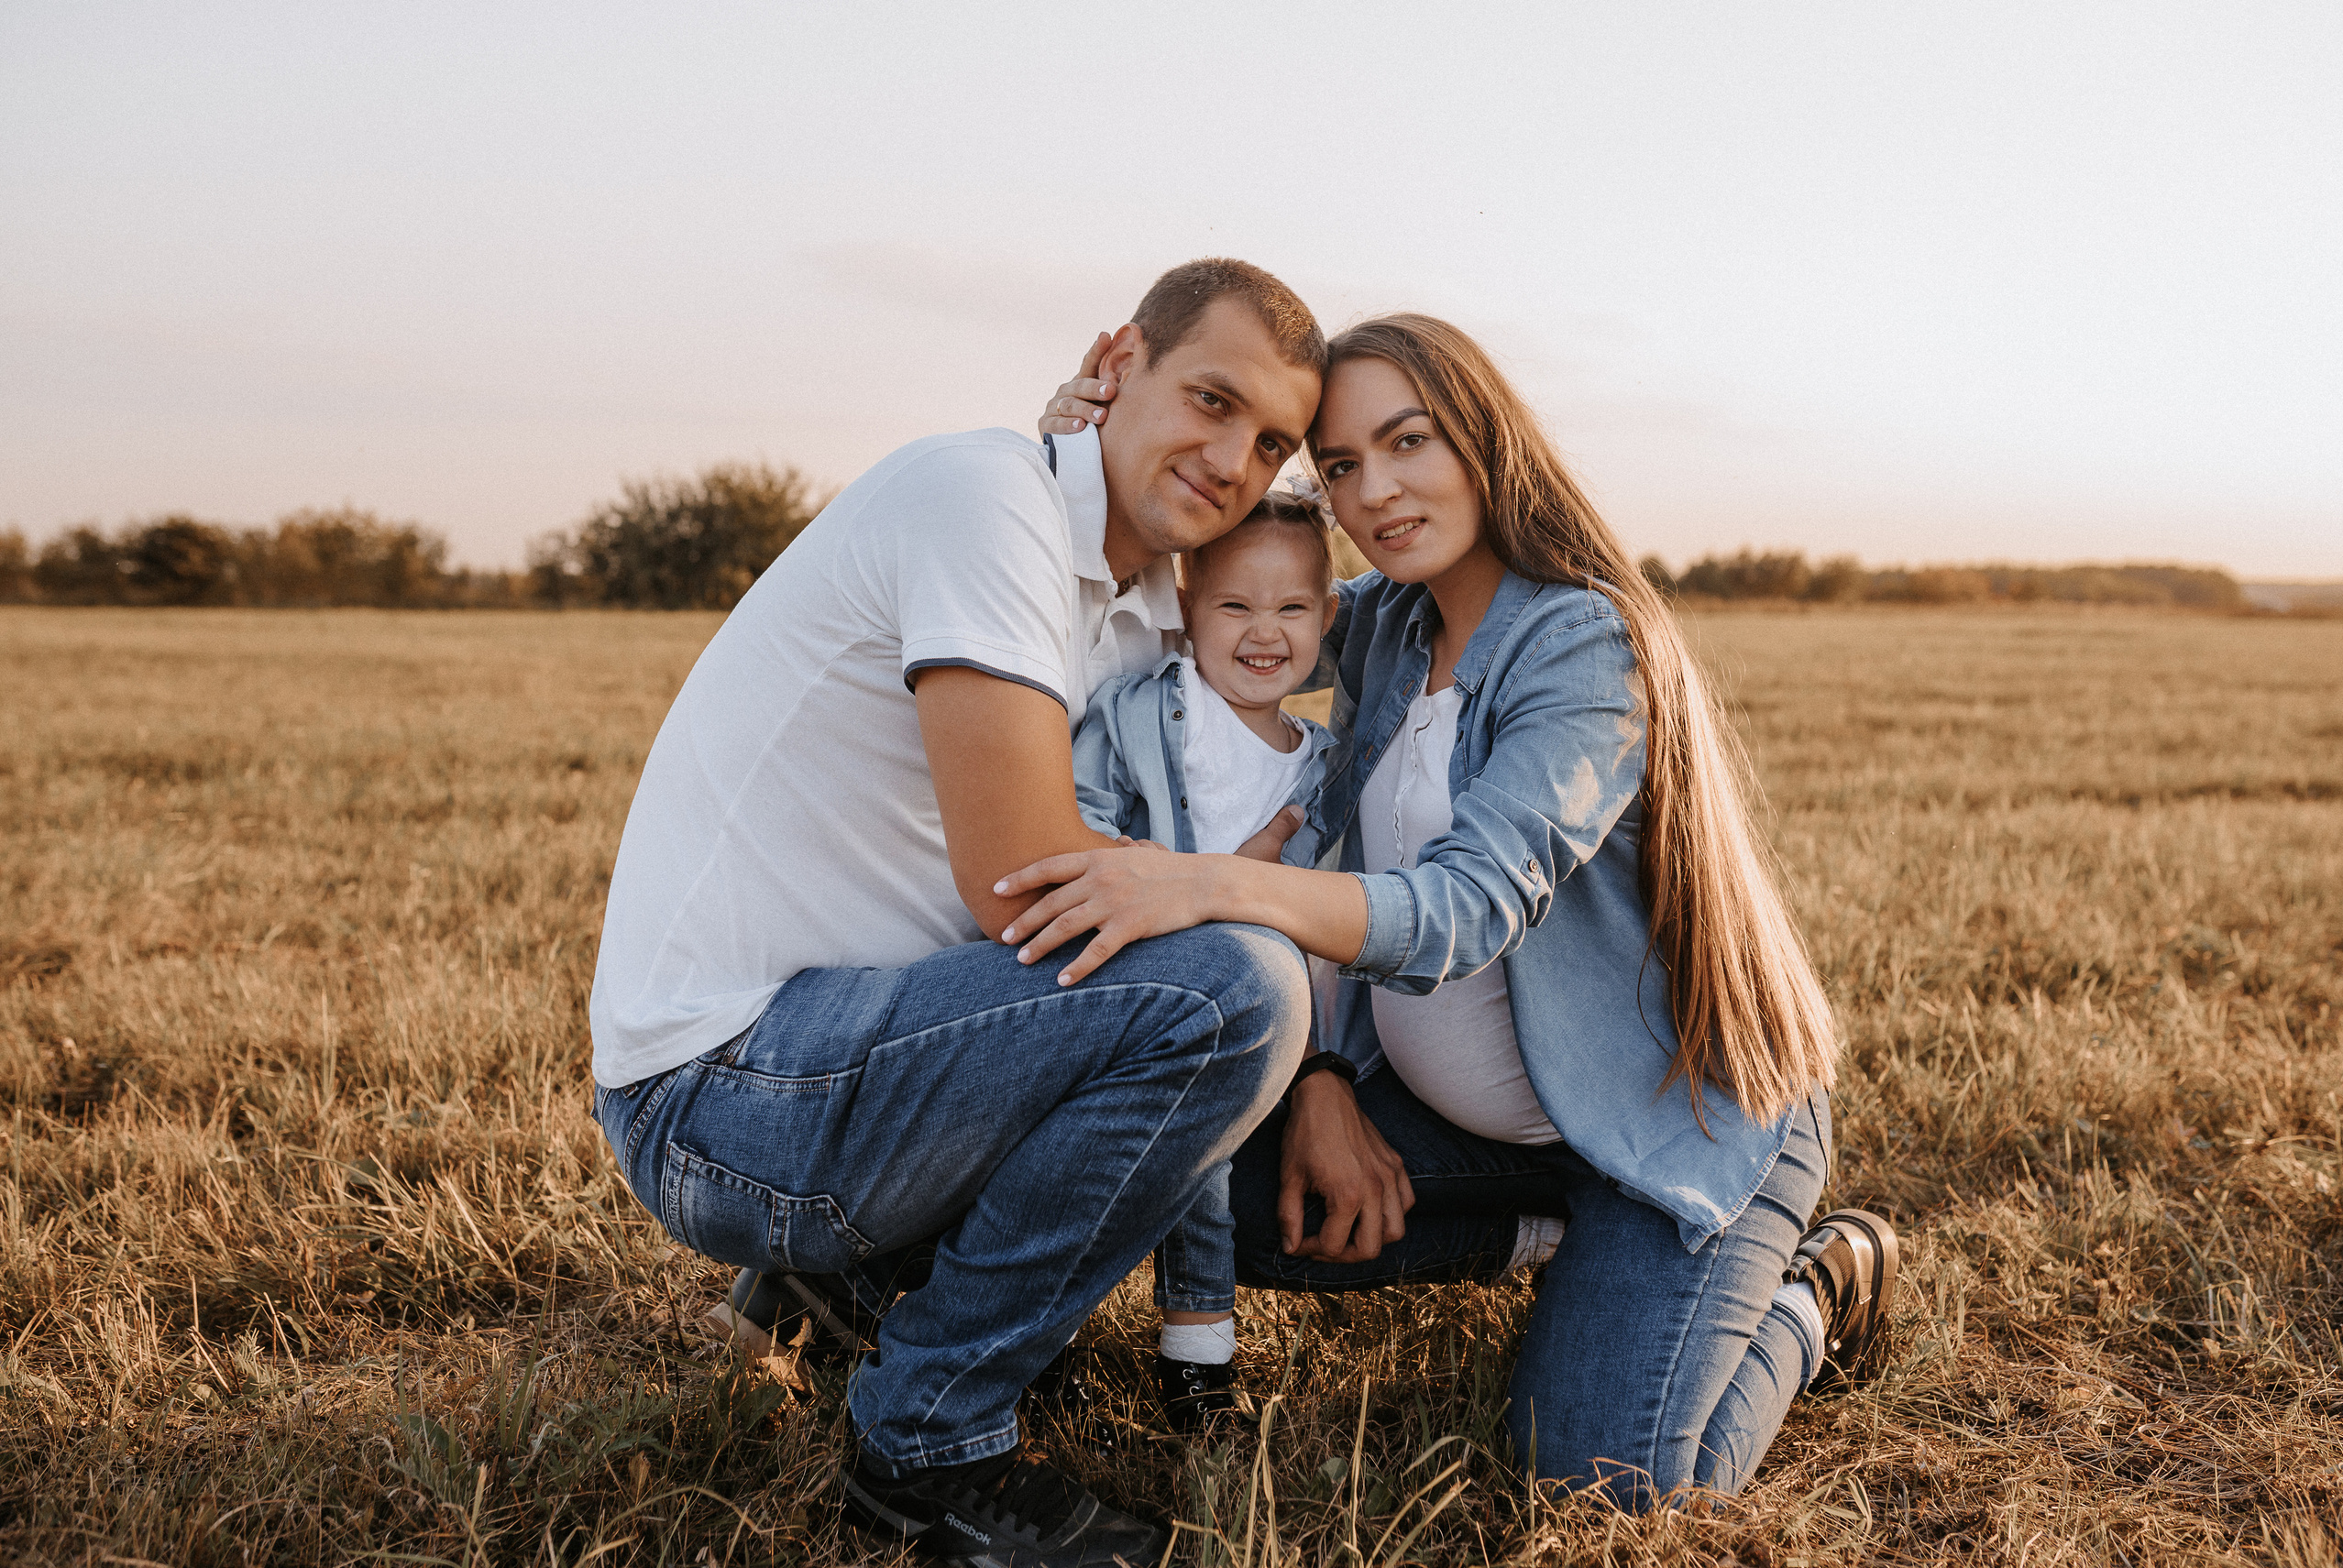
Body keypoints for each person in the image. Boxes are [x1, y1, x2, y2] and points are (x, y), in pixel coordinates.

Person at [1018, 313, 1899, 1508]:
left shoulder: (1583, 640)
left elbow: (1460, 911)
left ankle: (1816, 1280)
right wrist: (1093, 458)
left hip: (1672, 1125)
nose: (1373, 490)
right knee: (1225, 1178)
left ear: (1483, 438)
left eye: (1408, 441)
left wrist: (1206, 880)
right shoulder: (1389, 621)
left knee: (1602, 1486)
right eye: (1337, 466)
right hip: (1493, 1135)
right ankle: (1545, 1240)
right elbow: (1221, 599)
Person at [588, 258, 1324, 1564]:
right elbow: (1024, 880)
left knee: (1185, 965)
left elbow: (1328, 610)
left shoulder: (1148, 598)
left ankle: (847, 1282)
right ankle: (928, 1441)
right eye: (1209, 400)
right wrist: (1234, 891)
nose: (1231, 457)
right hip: (719, 1090)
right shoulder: (983, 503)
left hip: (831, 1050)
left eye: (1269, 440)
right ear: (1119, 361)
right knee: (1234, 990)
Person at [1067, 490, 1343, 1430]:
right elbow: (1081, 819)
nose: (1263, 632)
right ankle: (1131, 1354)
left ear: (1328, 616)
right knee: (1138, 1159)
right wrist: (1202, 880)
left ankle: (1191, 1362)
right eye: (1234, 605)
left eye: (1292, 608)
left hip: (1265, 1011)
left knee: (1208, 1164)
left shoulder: (1321, 766)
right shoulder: (1144, 710)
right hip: (1139, 980)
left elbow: (1321, 910)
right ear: (1187, 604)